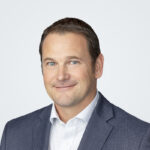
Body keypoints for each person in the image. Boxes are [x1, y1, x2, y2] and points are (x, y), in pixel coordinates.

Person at [0, 17, 150, 150]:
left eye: (73, 62)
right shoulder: (13, 134)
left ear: (97, 66)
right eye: (51, 63)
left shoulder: (138, 138)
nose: (61, 76)